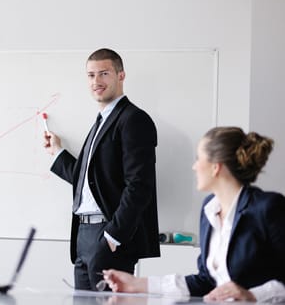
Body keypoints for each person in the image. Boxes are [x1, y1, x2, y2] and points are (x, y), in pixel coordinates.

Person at [103, 127, 285, 303]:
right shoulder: (209, 210)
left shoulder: (267, 207)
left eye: (198, 158)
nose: (194, 166)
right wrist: (137, 283)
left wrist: (253, 295)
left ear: (216, 167)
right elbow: (205, 281)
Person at [44, 48, 160, 290]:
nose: (96, 82)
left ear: (121, 75)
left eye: (104, 73)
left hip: (108, 235)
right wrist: (58, 153)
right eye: (90, 75)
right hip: (83, 235)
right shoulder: (101, 121)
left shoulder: (133, 119)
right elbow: (91, 180)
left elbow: (139, 185)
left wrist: (112, 236)